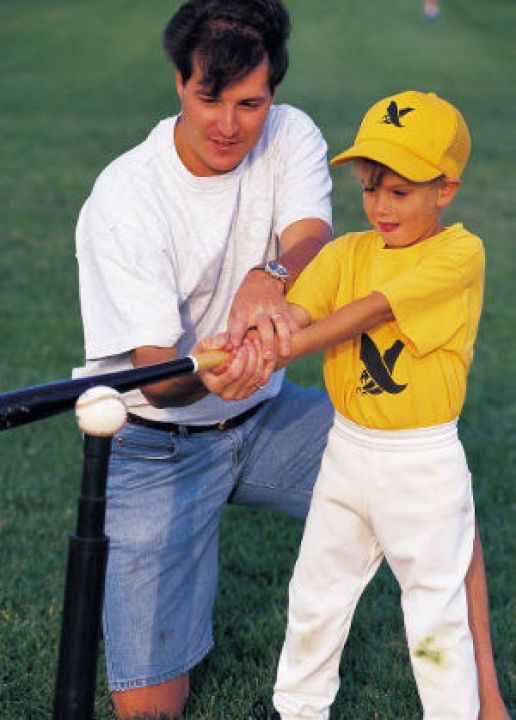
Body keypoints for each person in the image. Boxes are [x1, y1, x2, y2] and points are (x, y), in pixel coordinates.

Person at [72, 0, 508, 716]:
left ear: (271, 92)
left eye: (250, 102)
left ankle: (486, 701)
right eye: (209, 98)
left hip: (270, 419)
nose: (228, 125)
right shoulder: (126, 200)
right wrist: (223, 365)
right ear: (179, 81)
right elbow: (158, 366)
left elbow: (311, 239)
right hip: (160, 440)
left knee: (435, 500)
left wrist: (268, 282)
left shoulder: (291, 133)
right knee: (149, 709)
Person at [238, 89, 495, 719]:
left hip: (420, 465)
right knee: (316, 593)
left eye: (400, 192)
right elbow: (297, 308)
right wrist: (256, 338)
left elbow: (370, 311)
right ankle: (297, 709)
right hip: (347, 451)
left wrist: (286, 346)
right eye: (370, 187)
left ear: (446, 189)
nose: (380, 206)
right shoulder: (347, 251)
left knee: (434, 612)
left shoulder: (459, 254)